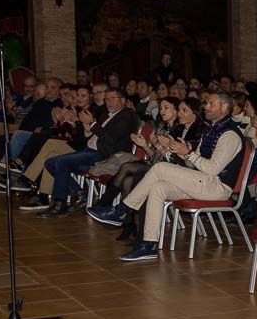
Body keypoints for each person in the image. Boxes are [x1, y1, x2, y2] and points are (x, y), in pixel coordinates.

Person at [99, 91, 242, 262]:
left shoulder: (230, 135)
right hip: (201, 181)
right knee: (158, 188)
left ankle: (123, 210)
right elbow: (192, 164)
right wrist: (181, 153)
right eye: (206, 103)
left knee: (159, 168)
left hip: (218, 187)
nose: (206, 106)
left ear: (225, 107)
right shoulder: (210, 130)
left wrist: (188, 154)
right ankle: (148, 245)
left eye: (211, 103)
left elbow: (212, 170)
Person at [37, 88, 139, 218]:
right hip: (89, 150)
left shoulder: (127, 115)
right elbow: (91, 136)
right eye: (106, 99)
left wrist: (92, 124)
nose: (108, 102)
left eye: (112, 99)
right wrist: (87, 128)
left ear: (123, 100)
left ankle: (59, 204)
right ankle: (79, 192)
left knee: (61, 163)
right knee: (50, 163)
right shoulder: (105, 115)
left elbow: (111, 140)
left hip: (105, 154)